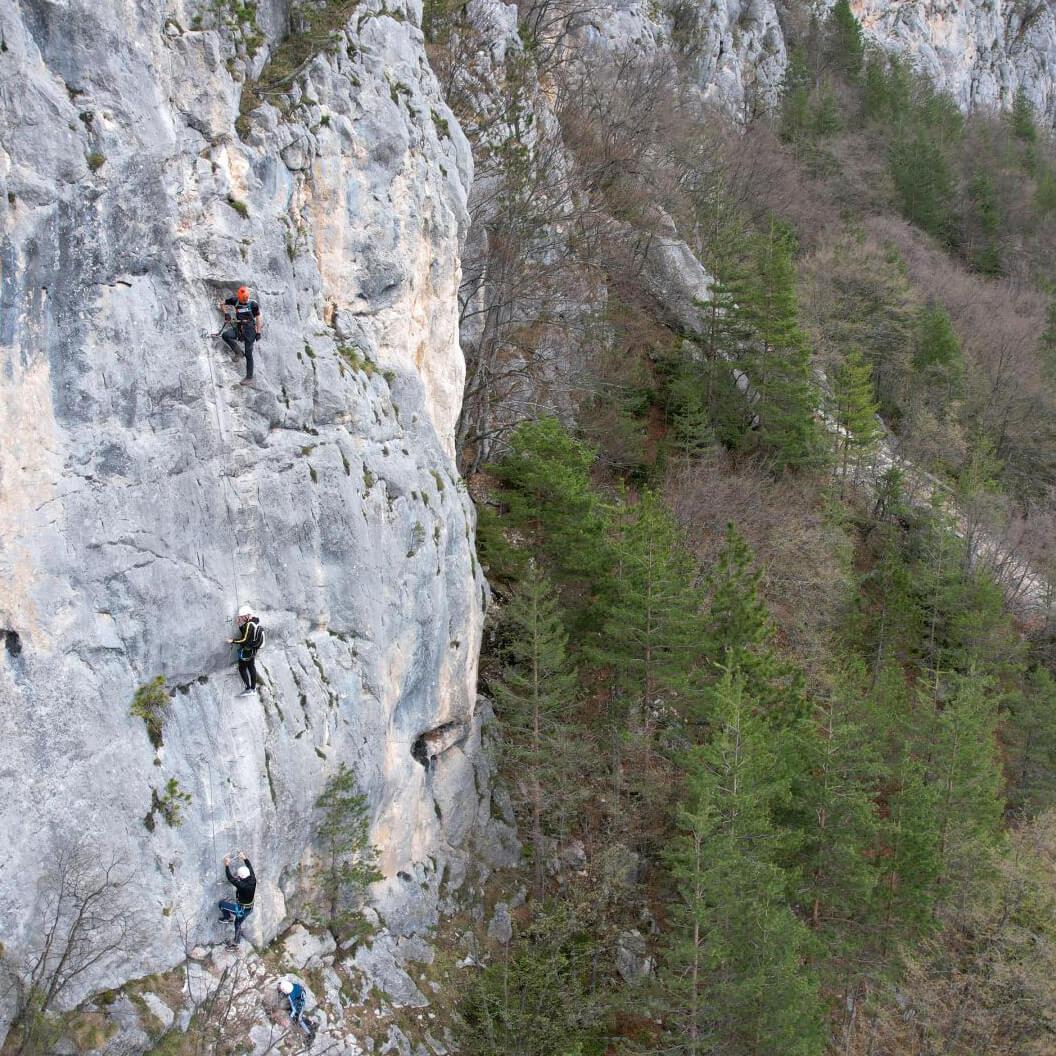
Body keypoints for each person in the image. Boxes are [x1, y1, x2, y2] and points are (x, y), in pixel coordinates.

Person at [219, 286, 262, 384]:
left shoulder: (253, 304)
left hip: (250, 330)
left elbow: (258, 318)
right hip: (239, 328)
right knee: (226, 335)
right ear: (239, 297)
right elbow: (221, 303)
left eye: (246, 299)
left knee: (249, 353)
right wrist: (226, 313)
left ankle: (249, 377)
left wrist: (258, 332)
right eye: (243, 299)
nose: (244, 301)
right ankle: (238, 352)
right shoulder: (235, 300)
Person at [218, 850, 256, 946]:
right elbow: (250, 868)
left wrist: (226, 865)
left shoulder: (241, 885)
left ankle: (235, 942)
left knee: (222, 905)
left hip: (241, 910)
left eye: (238, 877)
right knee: (238, 922)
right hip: (249, 908)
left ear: (241, 877)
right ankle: (230, 920)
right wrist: (244, 858)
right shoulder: (253, 879)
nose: (237, 877)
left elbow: (230, 878)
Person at [227, 605, 264, 696]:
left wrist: (233, 641)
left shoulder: (249, 625)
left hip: (247, 651)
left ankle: (248, 689)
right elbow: (247, 633)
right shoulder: (255, 622)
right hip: (253, 649)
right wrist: (240, 624)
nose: (242, 618)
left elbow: (244, 639)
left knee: (242, 668)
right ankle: (253, 689)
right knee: (251, 667)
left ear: (247, 615)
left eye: (243, 617)